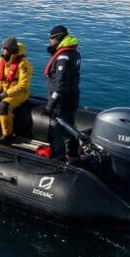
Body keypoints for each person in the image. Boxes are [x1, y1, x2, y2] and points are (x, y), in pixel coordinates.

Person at [44, 25, 82, 160]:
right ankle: (72, 154)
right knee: (69, 126)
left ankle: (57, 158)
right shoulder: (75, 53)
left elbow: (60, 85)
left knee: (56, 130)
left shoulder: (63, 58)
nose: (50, 42)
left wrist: (51, 103)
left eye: (51, 39)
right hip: (72, 98)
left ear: (58, 38)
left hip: (61, 101)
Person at [0, 37, 32, 144]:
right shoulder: (2, 60)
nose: (2, 51)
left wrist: (5, 94)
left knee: (3, 106)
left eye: (5, 49)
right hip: (3, 90)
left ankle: (8, 135)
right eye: (2, 48)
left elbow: (22, 85)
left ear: (11, 50)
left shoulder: (23, 64)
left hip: (18, 93)